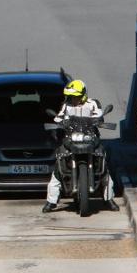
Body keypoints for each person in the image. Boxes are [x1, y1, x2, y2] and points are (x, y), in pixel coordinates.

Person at [42, 79, 117, 213]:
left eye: (75, 96)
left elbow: (99, 116)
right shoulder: (66, 105)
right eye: (71, 96)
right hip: (71, 138)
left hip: (90, 137)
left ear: (82, 95)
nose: (73, 99)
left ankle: (108, 199)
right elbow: (58, 118)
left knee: (104, 165)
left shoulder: (93, 103)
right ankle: (51, 202)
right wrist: (60, 122)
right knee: (58, 166)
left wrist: (98, 120)